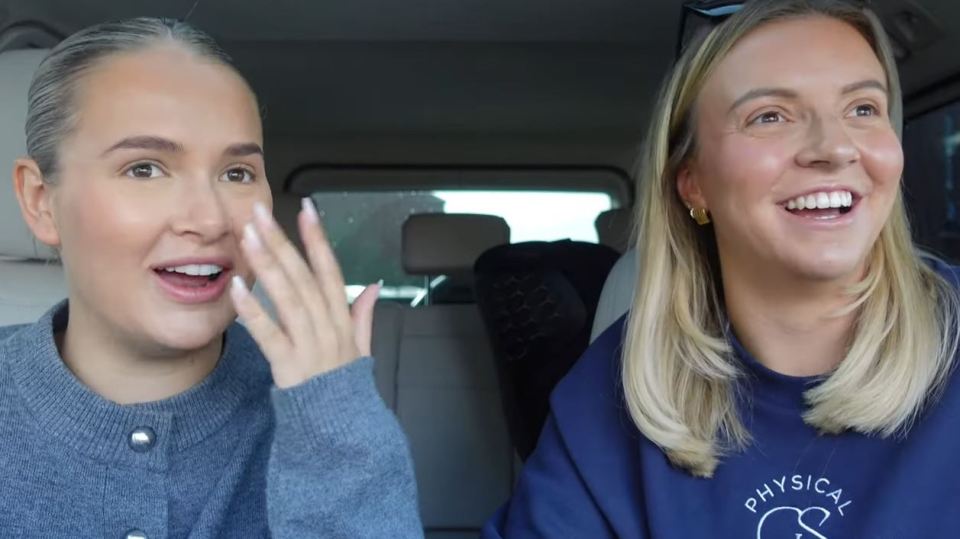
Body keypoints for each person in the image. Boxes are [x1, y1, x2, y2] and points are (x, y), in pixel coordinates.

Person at [484, 0, 960, 537]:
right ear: (694, 185)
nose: (834, 147)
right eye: (770, 117)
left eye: (863, 109)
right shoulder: (609, 391)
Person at [1, 17, 422, 537]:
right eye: (144, 168)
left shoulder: (335, 417)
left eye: (237, 173)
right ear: (41, 202)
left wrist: (333, 424)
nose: (210, 220)